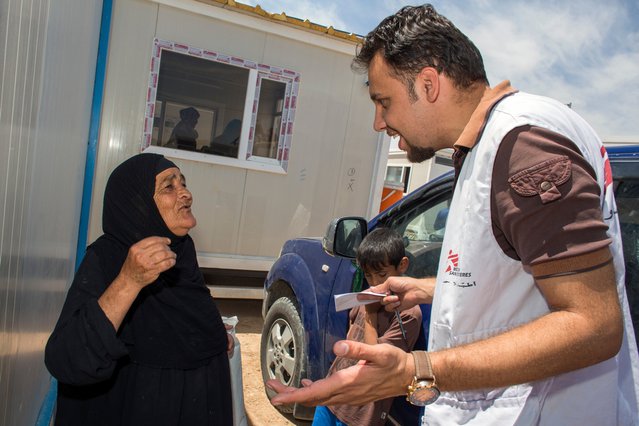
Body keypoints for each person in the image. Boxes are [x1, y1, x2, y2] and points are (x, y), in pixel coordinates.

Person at [267, 4, 639, 425]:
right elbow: (517, 279)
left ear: (428, 84)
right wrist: (428, 289)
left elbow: (593, 324)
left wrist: (414, 371)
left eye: (383, 101)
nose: (379, 122)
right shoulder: (492, 144)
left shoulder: (522, 144)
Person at [45, 153, 233, 426]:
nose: (186, 194)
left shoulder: (181, 250)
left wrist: (210, 334)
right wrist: (129, 281)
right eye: (170, 187)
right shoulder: (107, 258)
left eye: (183, 183)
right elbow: (68, 360)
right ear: (138, 204)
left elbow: (186, 310)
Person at [312, 228, 422, 426]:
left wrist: (370, 312)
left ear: (402, 265)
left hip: (362, 412)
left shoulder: (408, 313)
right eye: (369, 276)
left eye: (382, 274)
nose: (375, 283)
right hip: (334, 395)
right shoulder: (366, 297)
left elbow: (376, 361)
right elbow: (352, 331)